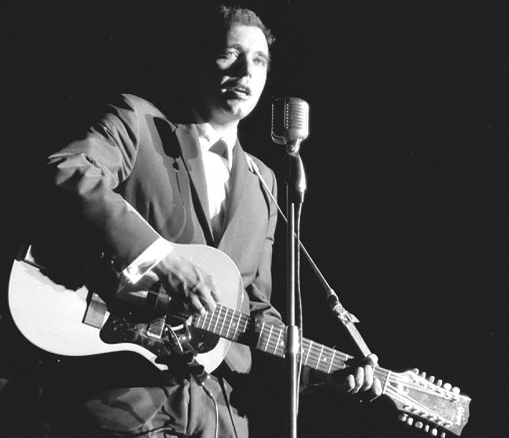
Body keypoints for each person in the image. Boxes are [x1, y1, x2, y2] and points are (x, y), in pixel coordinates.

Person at [32, 5, 382, 437]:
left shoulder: (265, 184)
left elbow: (252, 310)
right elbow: (68, 171)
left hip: (218, 414)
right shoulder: (139, 123)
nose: (245, 72)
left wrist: (313, 370)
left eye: (258, 61)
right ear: (195, 61)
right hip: (123, 397)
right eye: (229, 54)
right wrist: (162, 260)